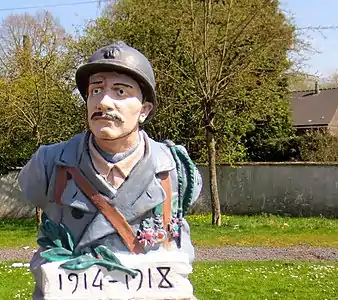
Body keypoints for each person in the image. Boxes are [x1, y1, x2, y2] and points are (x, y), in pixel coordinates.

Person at [18, 40, 203, 299]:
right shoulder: (47, 164)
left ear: (144, 110)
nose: (103, 102)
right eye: (95, 90)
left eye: (120, 92)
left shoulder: (176, 168)